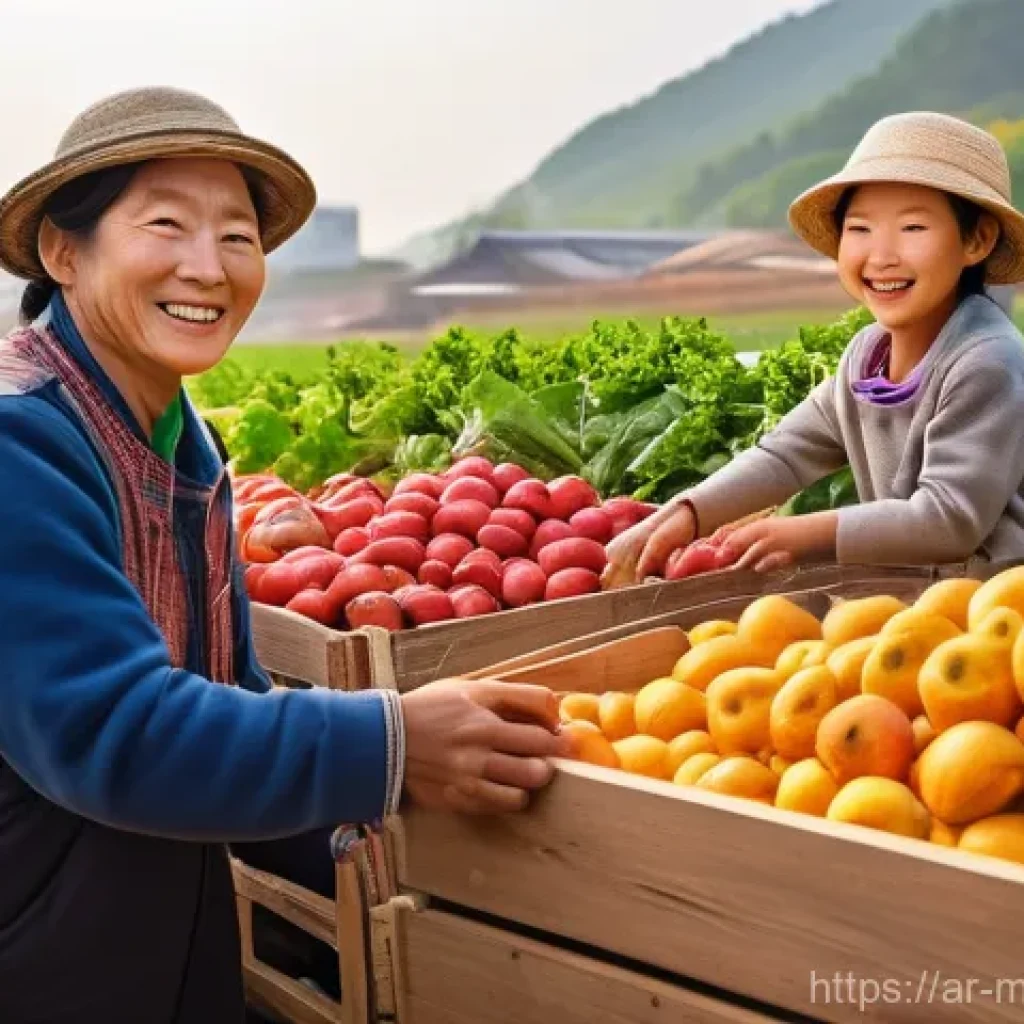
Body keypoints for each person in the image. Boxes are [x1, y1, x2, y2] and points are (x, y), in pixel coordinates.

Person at [0, 86, 569, 1024]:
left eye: (237, 235)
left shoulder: (182, 442)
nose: (208, 267)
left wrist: (401, 857)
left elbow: (229, 695)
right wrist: (394, 743)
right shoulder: (21, 441)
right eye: (166, 225)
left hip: (162, 947)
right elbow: (113, 732)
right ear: (65, 251)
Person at [606, 111, 1024, 584]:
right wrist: (690, 512)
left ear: (977, 240)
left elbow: (949, 519)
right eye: (860, 229)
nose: (881, 255)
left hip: (999, 602)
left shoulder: (986, 361)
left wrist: (805, 534)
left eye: (912, 229)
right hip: (918, 599)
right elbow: (786, 454)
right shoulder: (866, 356)